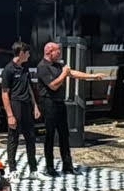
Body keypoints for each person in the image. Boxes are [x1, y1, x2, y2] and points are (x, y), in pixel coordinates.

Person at [35, 41, 105, 177]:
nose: (59, 53)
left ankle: (68, 166)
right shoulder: (42, 66)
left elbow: (72, 73)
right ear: (49, 52)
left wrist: (92, 76)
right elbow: (53, 86)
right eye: (57, 51)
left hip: (60, 103)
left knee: (64, 135)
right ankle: (50, 167)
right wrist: (64, 74)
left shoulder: (58, 65)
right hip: (49, 103)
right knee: (50, 136)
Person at [0, 41, 48, 181]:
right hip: (16, 105)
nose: (29, 55)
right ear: (21, 53)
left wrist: (35, 106)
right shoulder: (8, 70)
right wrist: (10, 115)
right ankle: (13, 170)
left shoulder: (25, 68)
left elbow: (29, 87)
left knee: (30, 138)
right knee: (13, 138)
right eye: (27, 53)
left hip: (27, 105)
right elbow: (4, 93)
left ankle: (33, 170)